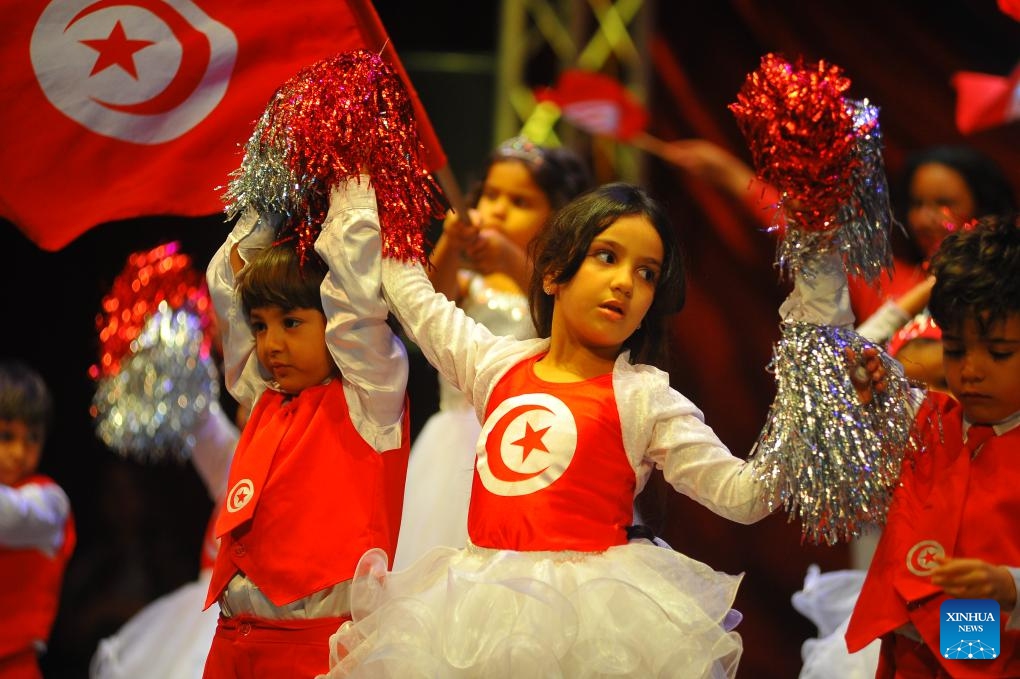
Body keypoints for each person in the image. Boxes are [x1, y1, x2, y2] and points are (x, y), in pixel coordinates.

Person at [321, 181, 882, 678]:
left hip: (592, 628)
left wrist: (817, 391)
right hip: (470, 614)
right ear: (553, 273)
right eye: (606, 257)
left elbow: (744, 495)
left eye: (646, 274)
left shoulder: (644, 398)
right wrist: (362, 179)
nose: (624, 284)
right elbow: (411, 293)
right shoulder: (493, 364)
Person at [199, 178, 412, 678]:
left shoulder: (370, 402)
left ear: (331, 319)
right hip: (231, 647)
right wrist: (272, 193)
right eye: (261, 326)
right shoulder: (263, 397)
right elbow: (226, 285)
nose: (270, 344)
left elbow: (357, 296)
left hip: (316, 655)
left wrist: (348, 176)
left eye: (291, 323)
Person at [394, 136, 593, 569]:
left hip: (528, 445)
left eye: (520, 201)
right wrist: (448, 242)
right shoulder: (468, 284)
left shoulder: (561, 290)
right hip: (451, 452)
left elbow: (555, 311)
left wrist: (511, 259)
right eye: (492, 194)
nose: (499, 208)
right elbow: (426, 303)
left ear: (559, 218)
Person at [845, 214, 1020, 677]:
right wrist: (927, 292)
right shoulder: (925, 418)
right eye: (957, 349)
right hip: (908, 653)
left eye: (999, 352)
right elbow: (850, 360)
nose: (971, 371)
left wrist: (1010, 586)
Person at [88, 242, 242, 679]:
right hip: (198, 633)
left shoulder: (293, 463)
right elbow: (195, 410)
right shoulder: (233, 462)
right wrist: (165, 319)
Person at [852, 144, 1017, 340]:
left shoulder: (1005, 288)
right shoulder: (876, 277)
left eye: (944, 204)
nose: (924, 220)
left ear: (983, 208)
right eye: (917, 203)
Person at [0, 360, 76, 679]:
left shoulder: (50, 502)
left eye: (31, 438)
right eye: (6, 436)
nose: (19, 451)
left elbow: (11, 515)